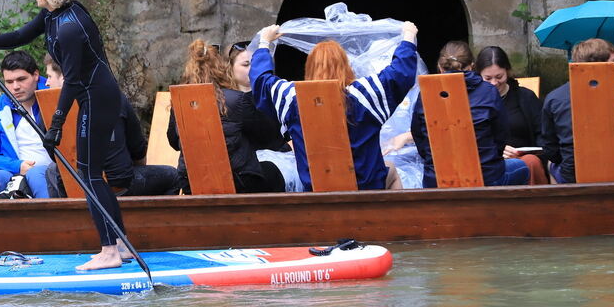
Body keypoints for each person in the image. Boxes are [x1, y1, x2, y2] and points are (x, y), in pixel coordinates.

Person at [0, 0, 130, 271]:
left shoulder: (70, 28)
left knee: (89, 175)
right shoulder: (53, 14)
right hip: (91, 95)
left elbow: (74, 80)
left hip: (98, 97)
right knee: (91, 173)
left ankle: (110, 252)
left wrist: (55, 125)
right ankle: (119, 244)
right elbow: (21, 36)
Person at [250, 20, 419, 191]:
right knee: (392, 170)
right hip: (365, 186)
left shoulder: (292, 96)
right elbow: (400, 72)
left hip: (315, 186)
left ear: (309, 67)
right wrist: (408, 37)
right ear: (346, 65)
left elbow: (261, 80)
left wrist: (264, 43)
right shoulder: (365, 94)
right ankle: (387, 217)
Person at [43, 55, 178, 198]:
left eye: (49, 77)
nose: (46, 82)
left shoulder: (52, 110)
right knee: (172, 176)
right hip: (117, 187)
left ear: (64, 78)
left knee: (52, 170)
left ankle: (66, 218)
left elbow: (54, 155)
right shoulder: (113, 96)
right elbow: (138, 151)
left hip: (77, 186)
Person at [167, 39, 287, 194]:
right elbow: (268, 137)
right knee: (273, 172)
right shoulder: (236, 99)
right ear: (222, 70)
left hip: (190, 181)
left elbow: (174, 142)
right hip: (237, 180)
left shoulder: (180, 102)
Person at [411, 41, 530, 187]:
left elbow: (419, 137)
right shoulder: (488, 91)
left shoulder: (425, 94)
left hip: (436, 180)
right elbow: (501, 136)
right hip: (486, 177)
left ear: (440, 67)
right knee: (523, 168)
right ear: (472, 66)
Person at [540, 38, 614, 183]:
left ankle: (563, 204)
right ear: (599, 65)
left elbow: (550, 148)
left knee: (551, 164)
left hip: (570, 176)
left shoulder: (553, 98)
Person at [0, 50, 53, 199]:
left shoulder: (53, 95)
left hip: (51, 169)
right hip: (13, 171)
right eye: (9, 82)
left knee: (35, 174)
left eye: (21, 79)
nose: (15, 87)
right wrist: (17, 166)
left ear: (35, 75)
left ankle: (52, 220)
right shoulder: (0, 108)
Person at [474, 45, 548, 184]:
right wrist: (496, 151)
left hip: (524, 158)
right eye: (488, 78)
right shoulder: (474, 102)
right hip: (488, 162)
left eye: (499, 77)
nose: (494, 83)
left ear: (507, 72)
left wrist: (529, 152)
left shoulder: (525, 97)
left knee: (530, 162)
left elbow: (543, 134)